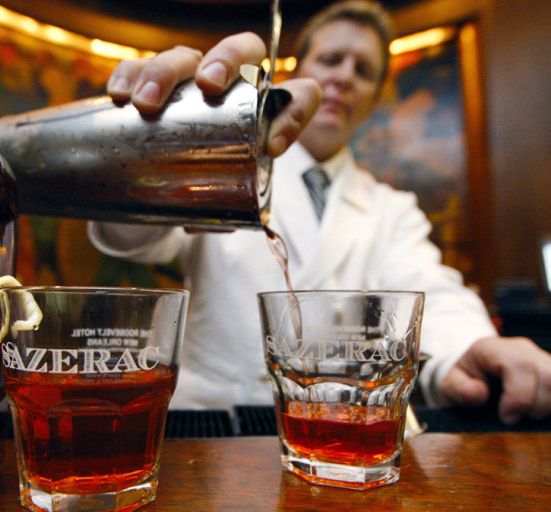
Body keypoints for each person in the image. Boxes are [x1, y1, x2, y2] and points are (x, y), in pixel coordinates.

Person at [88, 0, 551, 425]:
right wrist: (146, 145)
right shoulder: (220, 172)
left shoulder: (392, 209)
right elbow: (131, 237)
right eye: (330, 60)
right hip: (211, 430)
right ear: (296, 72)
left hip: (337, 436)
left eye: (363, 69)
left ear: (373, 100)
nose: (345, 76)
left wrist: (472, 347)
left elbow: (431, 291)